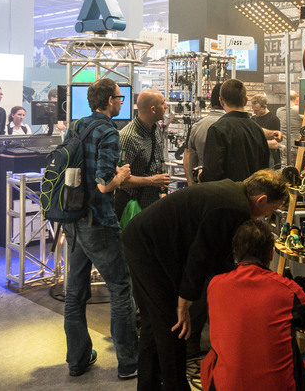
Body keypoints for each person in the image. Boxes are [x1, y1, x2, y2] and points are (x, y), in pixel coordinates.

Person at [122, 169, 288, 391]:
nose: (267, 215)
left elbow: (213, 254)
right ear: (261, 199)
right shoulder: (234, 207)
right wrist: (183, 304)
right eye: (272, 210)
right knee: (173, 326)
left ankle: (148, 386)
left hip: (144, 240)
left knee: (154, 324)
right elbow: (200, 257)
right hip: (148, 247)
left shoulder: (233, 191)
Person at [201, 219, 305, 391]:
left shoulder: (214, 286)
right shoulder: (287, 289)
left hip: (225, 386)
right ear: (271, 254)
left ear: (235, 253)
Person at [61, 78, 138, 380]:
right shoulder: (109, 132)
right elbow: (104, 185)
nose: (121, 102)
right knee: (121, 289)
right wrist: (121, 175)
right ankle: (128, 362)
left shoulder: (75, 127)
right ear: (109, 101)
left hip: (74, 220)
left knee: (74, 294)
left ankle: (77, 360)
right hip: (100, 223)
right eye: (119, 98)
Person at [115, 89, 170, 220]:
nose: (166, 106)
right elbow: (120, 181)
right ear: (153, 109)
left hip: (153, 205)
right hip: (133, 209)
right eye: (163, 103)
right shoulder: (128, 137)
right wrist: (152, 181)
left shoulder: (155, 129)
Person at [200, 80, 270, 183]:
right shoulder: (258, 130)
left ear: (221, 101)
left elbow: (212, 173)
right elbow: (264, 171)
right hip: (253, 192)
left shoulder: (217, 130)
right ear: (245, 101)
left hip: (227, 192)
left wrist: (201, 176)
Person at [184, 83, 224, 185]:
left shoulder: (196, 127)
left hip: (203, 186)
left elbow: (191, 161)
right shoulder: (237, 126)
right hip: (229, 188)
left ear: (211, 102)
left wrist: (193, 186)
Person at [250, 94, 281, 168]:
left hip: (269, 158)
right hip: (256, 157)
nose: (254, 112)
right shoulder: (253, 119)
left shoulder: (273, 120)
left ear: (264, 107)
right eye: (253, 110)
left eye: (256, 110)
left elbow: (275, 144)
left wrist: (255, 143)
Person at [277, 90, 302, 166]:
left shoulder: (279, 111)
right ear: (296, 99)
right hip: (296, 145)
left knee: (285, 168)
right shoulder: (299, 110)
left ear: (286, 98)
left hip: (283, 145)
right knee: (297, 168)